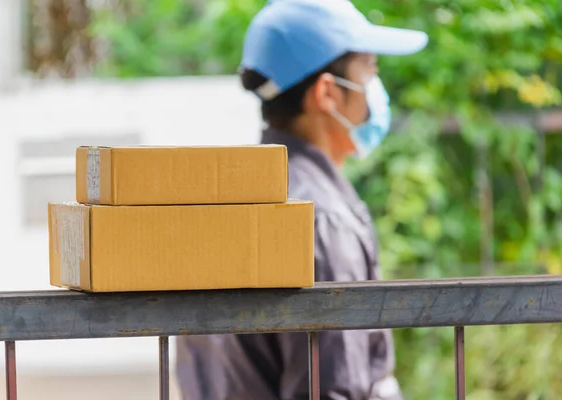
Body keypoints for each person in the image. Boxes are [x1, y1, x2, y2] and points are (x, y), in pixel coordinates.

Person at [176, 0, 428, 399]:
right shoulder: (318, 218)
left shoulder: (231, 200)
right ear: (328, 92)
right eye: (371, 70)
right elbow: (333, 386)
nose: (376, 90)